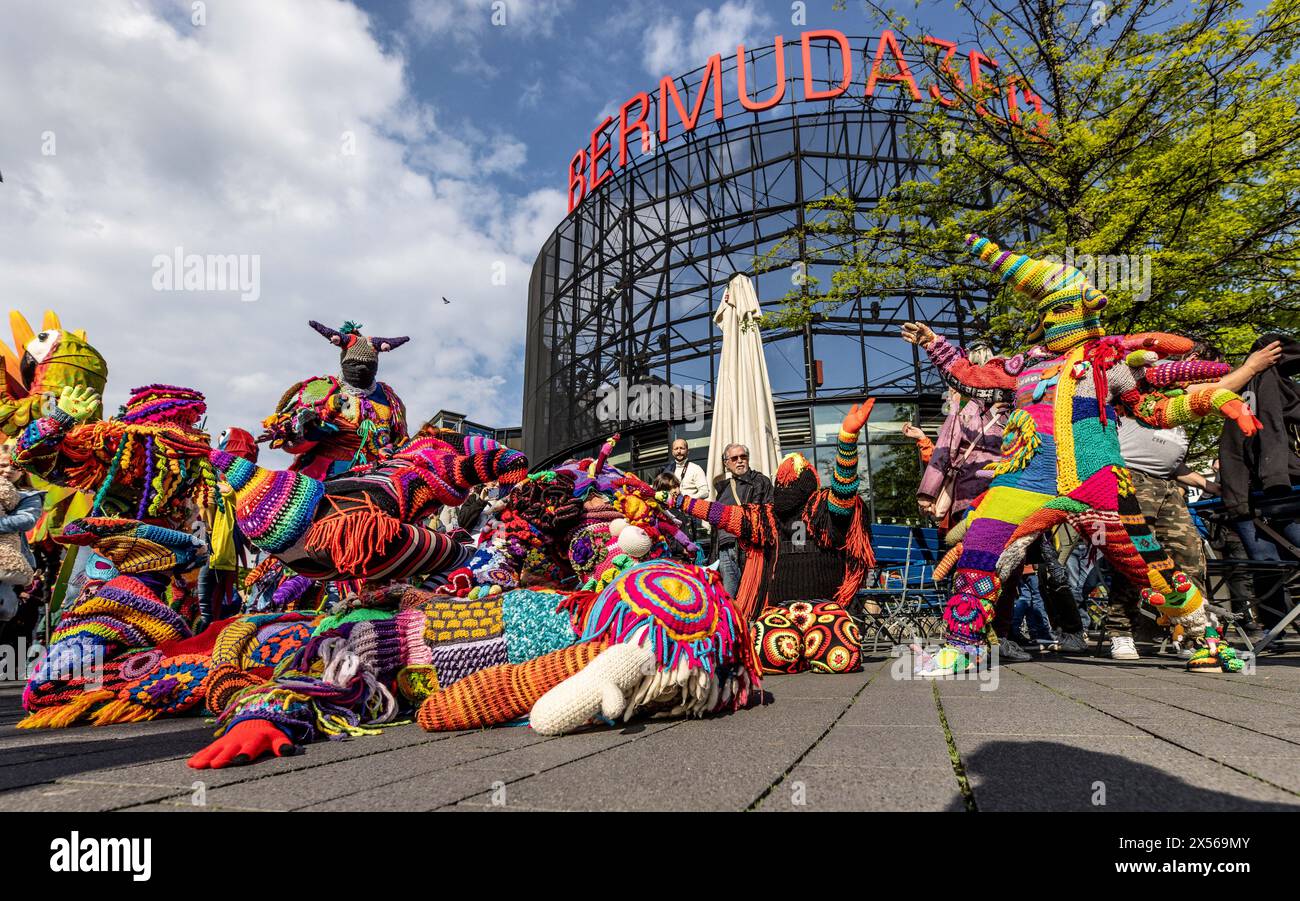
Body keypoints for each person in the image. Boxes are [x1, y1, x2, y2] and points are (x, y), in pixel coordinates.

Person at [900, 234, 1259, 677]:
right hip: (1025, 478)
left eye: (1074, 309)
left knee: (1147, 564)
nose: (1072, 318)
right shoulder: (1024, 364)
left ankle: (1206, 638)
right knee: (980, 546)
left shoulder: (1110, 362)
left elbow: (1153, 408)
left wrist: (1207, 401)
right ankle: (963, 643)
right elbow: (973, 377)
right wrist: (936, 344)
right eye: (1062, 310)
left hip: (1101, 481)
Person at [1106, 340, 1282, 659]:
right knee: (1136, 557)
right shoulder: (1151, 380)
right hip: (1131, 479)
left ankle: (1191, 634)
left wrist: (1207, 484)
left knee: (1188, 555)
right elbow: (1211, 391)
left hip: (1167, 485)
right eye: (1201, 366)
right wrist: (1252, 366)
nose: (1205, 375)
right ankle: (1121, 630)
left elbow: (1173, 463)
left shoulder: (1180, 409)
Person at [712, 443, 773, 598]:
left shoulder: (761, 481)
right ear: (726, 463)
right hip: (725, 549)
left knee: (752, 596)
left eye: (743, 457)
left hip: (749, 548)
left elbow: (769, 513)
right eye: (734, 458)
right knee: (729, 598)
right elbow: (715, 526)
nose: (740, 461)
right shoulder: (723, 489)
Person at [0, 445, 44, 644]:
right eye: (2, 465)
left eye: (14, 467)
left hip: (9, 561)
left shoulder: (29, 496)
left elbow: (25, 520)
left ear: (23, 471)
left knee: (3, 611)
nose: (8, 471)